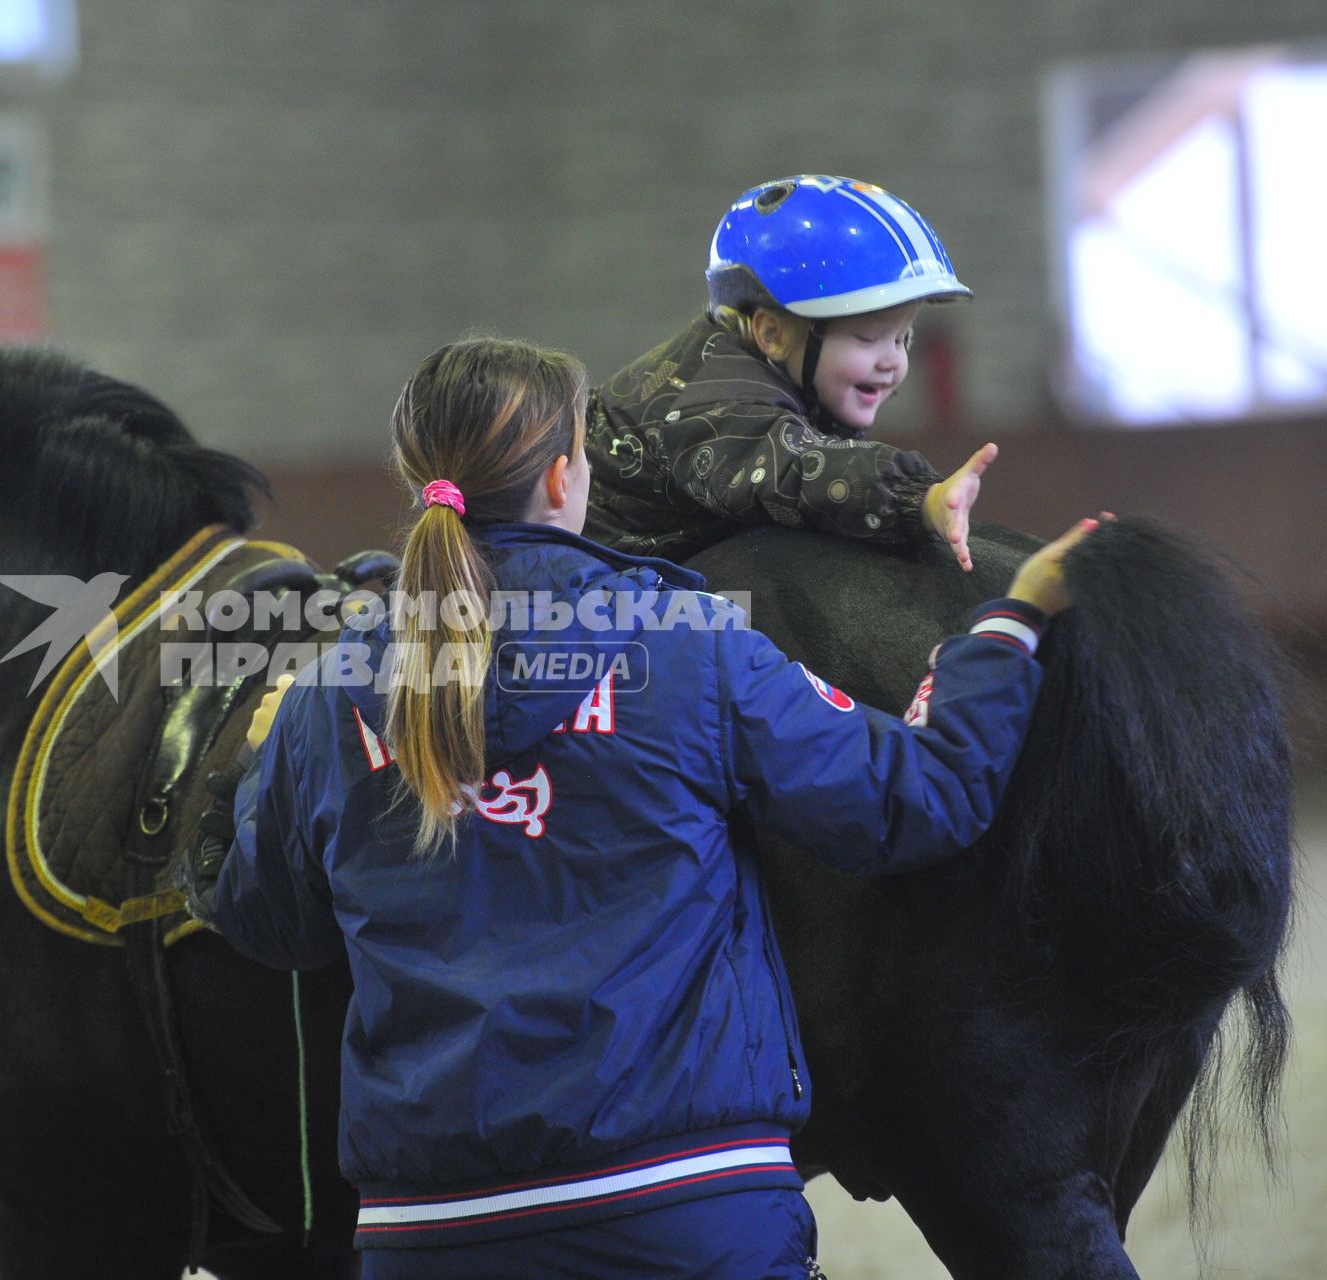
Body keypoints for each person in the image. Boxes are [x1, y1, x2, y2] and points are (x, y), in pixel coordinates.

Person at [189, 338, 1094, 1278]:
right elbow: (917, 800)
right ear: (560, 478)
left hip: (432, 1231)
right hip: (683, 1210)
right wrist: (1008, 623)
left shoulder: (327, 695)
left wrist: (246, 773)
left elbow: (265, 922)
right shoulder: (689, 645)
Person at [586, 174, 998, 571]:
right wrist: (920, 498)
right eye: (868, 338)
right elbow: (794, 470)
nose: (892, 360)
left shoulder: (781, 374)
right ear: (773, 334)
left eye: (902, 339)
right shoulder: (716, 405)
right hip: (582, 582)